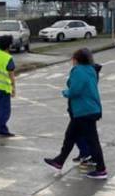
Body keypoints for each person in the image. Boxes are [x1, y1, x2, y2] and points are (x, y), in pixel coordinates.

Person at [43, 48, 108, 179]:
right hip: (90, 109)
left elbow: (74, 91)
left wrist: (65, 92)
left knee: (91, 141)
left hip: (83, 111)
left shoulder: (78, 71)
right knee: (70, 137)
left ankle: (101, 169)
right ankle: (59, 161)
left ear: (77, 59)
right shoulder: (91, 70)